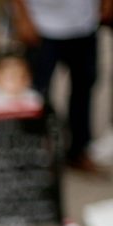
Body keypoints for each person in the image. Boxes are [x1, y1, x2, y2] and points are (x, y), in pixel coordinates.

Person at [10, 0, 106, 173]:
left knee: (83, 89)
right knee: (35, 94)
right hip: (41, 23)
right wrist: (22, 17)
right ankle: (32, 154)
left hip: (84, 23)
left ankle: (79, 151)